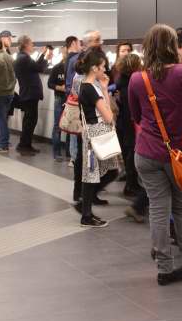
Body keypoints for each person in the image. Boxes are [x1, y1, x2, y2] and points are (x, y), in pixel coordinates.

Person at [128, 24, 182, 285]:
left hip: (147, 153)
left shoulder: (138, 78)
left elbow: (136, 116)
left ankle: (164, 268)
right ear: (173, 45)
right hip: (180, 155)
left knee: (158, 210)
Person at [74, 48, 118, 228]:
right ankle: (86, 213)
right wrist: (105, 92)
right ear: (93, 68)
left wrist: (105, 88)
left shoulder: (88, 86)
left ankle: (86, 209)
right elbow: (108, 115)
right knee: (92, 174)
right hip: (96, 134)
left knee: (102, 172)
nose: (104, 70)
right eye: (102, 67)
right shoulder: (90, 89)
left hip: (94, 134)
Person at [13, 36, 51, 155]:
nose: (33, 45)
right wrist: (46, 57)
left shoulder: (22, 57)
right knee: (30, 121)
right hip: (29, 94)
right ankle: (24, 145)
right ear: (25, 45)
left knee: (29, 121)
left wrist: (43, 55)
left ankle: (26, 144)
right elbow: (39, 68)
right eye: (31, 43)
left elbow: (35, 66)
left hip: (28, 93)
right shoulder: (24, 58)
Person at [114, 53, 143, 200]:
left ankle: (131, 184)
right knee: (131, 154)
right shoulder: (129, 84)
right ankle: (131, 185)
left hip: (122, 124)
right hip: (129, 125)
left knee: (128, 154)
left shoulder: (120, 82)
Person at [48, 43, 69, 160]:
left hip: (71, 99)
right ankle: (56, 153)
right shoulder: (57, 68)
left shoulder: (74, 68)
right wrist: (59, 87)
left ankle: (70, 153)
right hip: (60, 98)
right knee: (57, 126)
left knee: (71, 127)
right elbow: (50, 83)